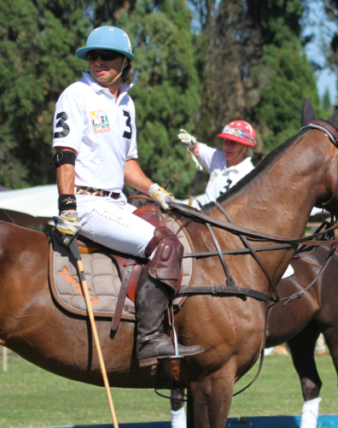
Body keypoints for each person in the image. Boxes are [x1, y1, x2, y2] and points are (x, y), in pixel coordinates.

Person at [52, 26, 203, 366]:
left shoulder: (127, 103)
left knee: (175, 235)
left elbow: (127, 164)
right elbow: (64, 154)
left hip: (118, 201)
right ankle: (149, 341)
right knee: (166, 247)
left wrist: (154, 189)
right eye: (93, 55)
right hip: (87, 203)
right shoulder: (76, 95)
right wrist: (67, 206)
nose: (98, 62)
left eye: (106, 56)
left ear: (124, 62)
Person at [178, 121, 256, 204]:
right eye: (226, 140)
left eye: (233, 142)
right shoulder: (217, 157)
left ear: (246, 147)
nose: (227, 146)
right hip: (203, 215)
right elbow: (197, 148)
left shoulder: (251, 175)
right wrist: (191, 142)